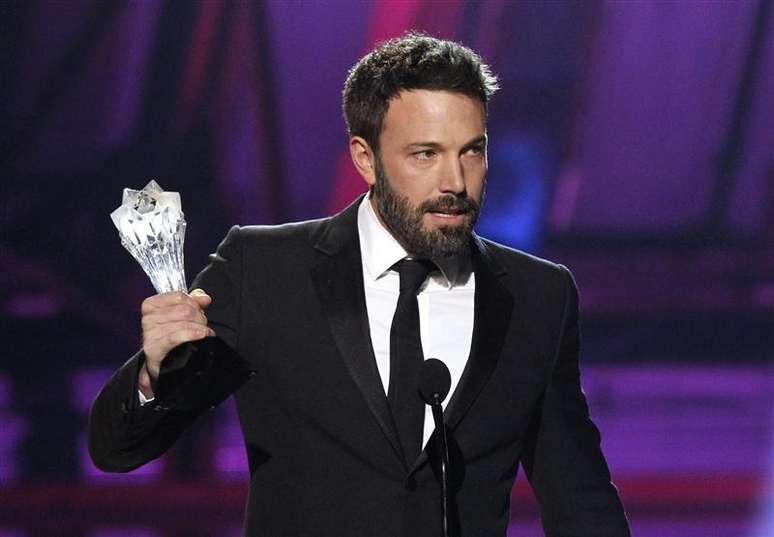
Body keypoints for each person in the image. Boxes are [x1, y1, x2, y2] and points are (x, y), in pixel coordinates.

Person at [89, 32, 630, 537]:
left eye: (472, 150)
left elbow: (580, 498)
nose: (456, 182)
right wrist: (152, 376)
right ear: (365, 158)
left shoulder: (539, 296)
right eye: (426, 154)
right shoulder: (264, 269)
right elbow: (117, 449)